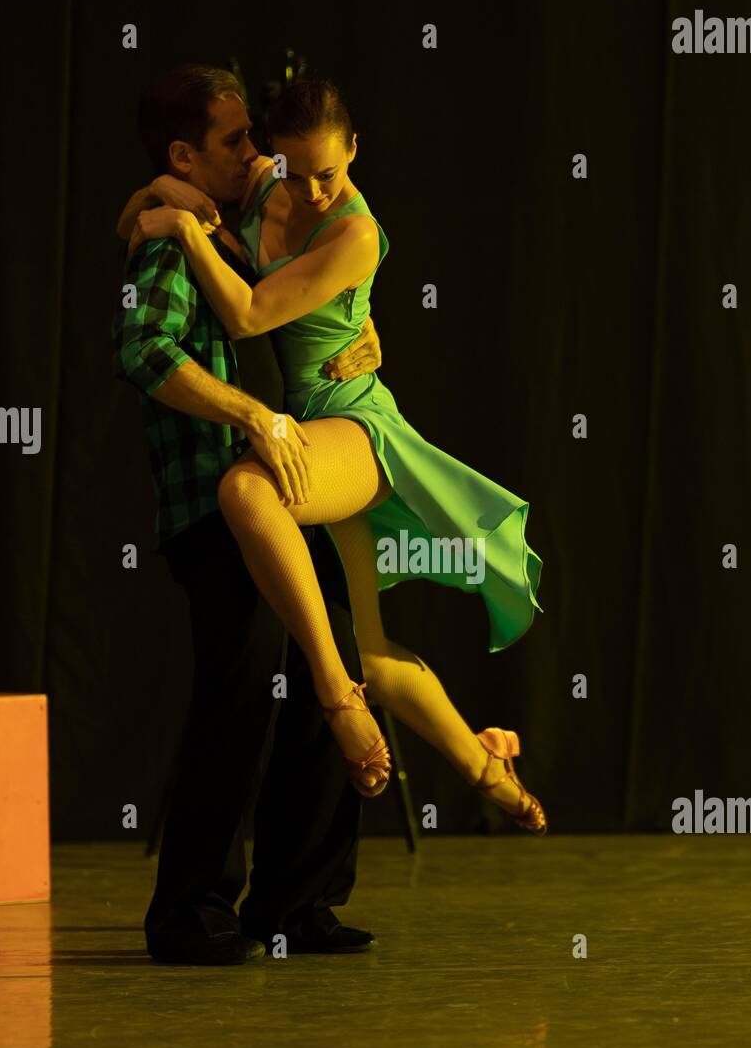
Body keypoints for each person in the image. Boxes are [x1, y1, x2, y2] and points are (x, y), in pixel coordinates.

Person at [124, 75, 547, 833]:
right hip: (304, 429)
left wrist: (187, 231)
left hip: (352, 426)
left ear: (354, 149)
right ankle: (490, 772)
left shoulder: (354, 233)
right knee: (375, 653)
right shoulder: (263, 184)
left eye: (332, 171)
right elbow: (131, 216)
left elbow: (250, 314)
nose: (316, 190)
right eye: (296, 171)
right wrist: (162, 187)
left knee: (246, 493)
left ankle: (332, 696)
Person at [113, 64, 385, 964]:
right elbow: (144, 351)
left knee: (328, 666)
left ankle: (296, 902)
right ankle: (190, 910)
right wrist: (253, 416)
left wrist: (358, 330)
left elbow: (334, 225)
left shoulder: (230, 223)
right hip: (215, 504)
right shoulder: (169, 247)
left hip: (277, 499)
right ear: (187, 151)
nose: (257, 153)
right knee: (240, 691)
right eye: (236, 140)